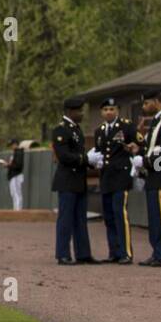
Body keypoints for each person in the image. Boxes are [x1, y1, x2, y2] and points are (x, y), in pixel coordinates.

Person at [133, 91, 161, 266]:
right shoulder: (156, 122)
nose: (144, 108)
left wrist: (145, 161)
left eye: (146, 104)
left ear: (157, 101)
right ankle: (158, 252)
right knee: (154, 218)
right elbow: (151, 147)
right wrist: (138, 151)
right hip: (153, 177)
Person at [90, 97, 138, 263]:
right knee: (109, 217)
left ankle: (126, 252)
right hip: (106, 177)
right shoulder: (100, 131)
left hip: (121, 176)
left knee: (120, 214)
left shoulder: (126, 126)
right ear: (101, 112)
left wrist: (135, 153)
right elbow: (99, 152)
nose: (109, 112)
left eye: (112, 109)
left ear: (117, 110)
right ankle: (114, 252)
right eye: (105, 110)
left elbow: (140, 144)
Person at [51, 98, 98, 265]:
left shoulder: (76, 130)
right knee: (66, 219)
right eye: (79, 111)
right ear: (70, 112)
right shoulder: (61, 130)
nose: (82, 114)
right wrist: (86, 159)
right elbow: (64, 156)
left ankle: (83, 253)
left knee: (80, 218)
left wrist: (90, 160)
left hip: (78, 179)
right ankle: (62, 254)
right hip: (67, 180)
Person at [0, 138, 25, 210]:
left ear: (15, 144)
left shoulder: (19, 152)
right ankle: (16, 210)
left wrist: (7, 165)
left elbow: (18, 165)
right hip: (13, 176)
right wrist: (8, 164)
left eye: (12, 145)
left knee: (17, 195)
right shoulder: (15, 153)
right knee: (14, 194)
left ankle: (18, 211)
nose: (11, 147)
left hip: (16, 175)